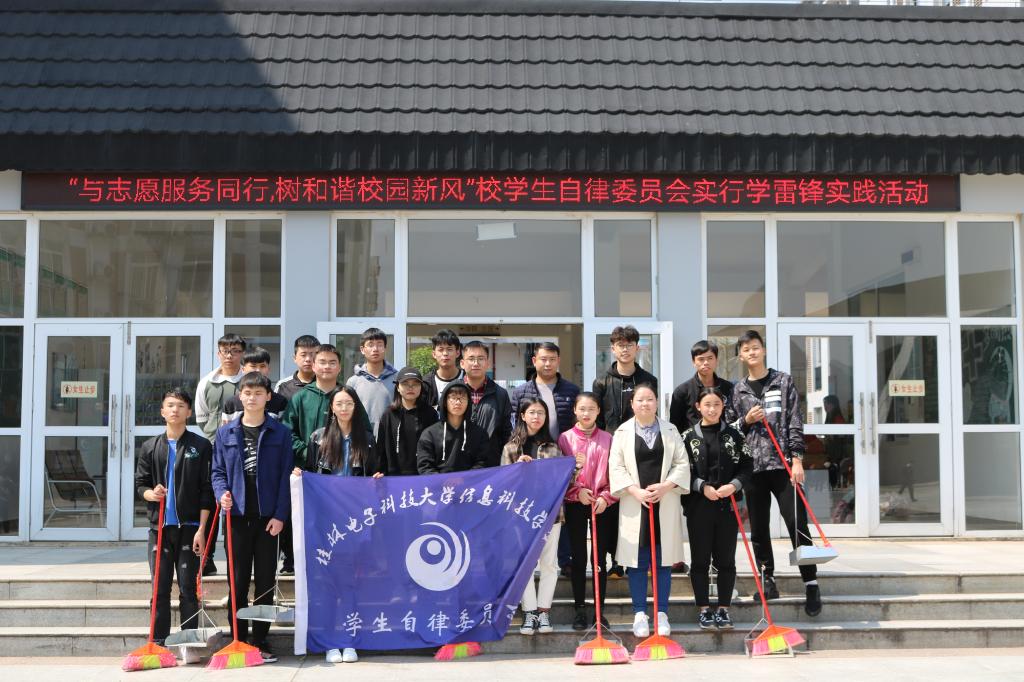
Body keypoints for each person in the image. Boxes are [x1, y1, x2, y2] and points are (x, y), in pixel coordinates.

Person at [731, 329, 823, 617]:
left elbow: (795, 420)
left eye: (755, 347)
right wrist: (746, 420)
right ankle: (767, 578)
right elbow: (731, 430)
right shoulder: (738, 390)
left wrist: (797, 460)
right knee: (759, 528)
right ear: (741, 356)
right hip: (753, 468)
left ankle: (811, 582)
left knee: (797, 522)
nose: (752, 352)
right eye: (746, 349)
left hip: (783, 466)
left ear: (764, 350)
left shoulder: (783, 381)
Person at [211, 371, 293, 664]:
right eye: (247, 393)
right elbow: (217, 471)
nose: (253, 398)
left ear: (268, 397)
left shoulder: (280, 433)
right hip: (236, 518)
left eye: (259, 393)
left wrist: (281, 515)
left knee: (266, 582)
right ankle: (238, 639)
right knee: (237, 582)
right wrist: (221, 494)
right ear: (240, 396)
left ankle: (260, 640)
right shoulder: (226, 433)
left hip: (268, 519)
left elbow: (285, 477)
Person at [292, 386, 375, 665]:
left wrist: (377, 479)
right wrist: (301, 476)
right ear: (331, 408)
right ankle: (330, 642)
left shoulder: (367, 439)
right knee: (326, 584)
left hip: (356, 521)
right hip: (327, 521)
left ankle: (348, 640)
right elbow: (312, 475)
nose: (343, 408)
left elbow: (375, 472)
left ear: (355, 406)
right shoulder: (319, 438)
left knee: (351, 583)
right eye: (339, 403)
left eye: (348, 403)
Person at [134, 388, 213, 658]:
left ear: (189, 412)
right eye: (170, 405)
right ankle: (159, 644)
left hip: (190, 529)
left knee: (188, 588)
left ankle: (189, 644)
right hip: (159, 529)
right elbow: (141, 484)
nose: (175, 410)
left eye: (180, 405)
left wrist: (202, 530)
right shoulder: (150, 447)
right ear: (162, 411)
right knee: (160, 588)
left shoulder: (201, 446)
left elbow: (206, 491)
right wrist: (151, 494)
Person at [607, 384, 689, 638]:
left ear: (657, 402)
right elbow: (616, 467)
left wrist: (666, 486)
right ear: (632, 404)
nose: (645, 404)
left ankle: (661, 613)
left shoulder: (671, 430)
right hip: (636, 502)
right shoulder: (622, 432)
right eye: (640, 400)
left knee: (663, 561)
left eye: (650, 399)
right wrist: (634, 490)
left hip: (664, 500)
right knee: (638, 562)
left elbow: (682, 463)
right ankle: (640, 614)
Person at [681, 387, 753, 631]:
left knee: (726, 560)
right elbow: (681, 471)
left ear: (723, 407)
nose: (712, 410)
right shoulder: (687, 437)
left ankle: (723, 609)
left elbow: (747, 466)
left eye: (717, 405)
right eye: (707, 405)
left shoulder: (735, 435)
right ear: (698, 407)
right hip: (699, 506)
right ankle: (704, 609)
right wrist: (702, 487)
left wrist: (734, 486)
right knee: (700, 560)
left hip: (727, 506)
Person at [593, 325, 657, 578]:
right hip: (610, 451)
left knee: (635, 506)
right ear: (613, 349)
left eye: (630, 344)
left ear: (637, 347)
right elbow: (598, 420)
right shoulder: (601, 382)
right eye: (620, 345)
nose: (625, 349)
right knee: (611, 507)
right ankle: (615, 560)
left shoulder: (648, 380)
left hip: (640, 450)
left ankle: (637, 558)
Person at [501, 399, 565, 636]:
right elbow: (503, 484)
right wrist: (517, 468)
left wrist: (576, 468)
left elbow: (563, 480)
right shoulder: (511, 448)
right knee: (524, 565)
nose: (536, 417)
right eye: (532, 412)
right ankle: (529, 612)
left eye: (541, 413)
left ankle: (544, 611)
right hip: (521, 516)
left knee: (549, 564)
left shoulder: (554, 448)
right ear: (522, 415)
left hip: (550, 514)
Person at [559, 392, 617, 631]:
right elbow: (560, 476)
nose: (586, 413)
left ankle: (599, 611)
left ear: (598, 411)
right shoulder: (565, 439)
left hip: (601, 504)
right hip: (576, 503)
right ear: (574, 410)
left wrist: (606, 497)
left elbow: (616, 473)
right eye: (582, 409)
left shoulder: (608, 439)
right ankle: (580, 609)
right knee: (579, 557)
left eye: (591, 409)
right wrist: (577, 492)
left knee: (599, 558)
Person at [194, 332, 246, 576]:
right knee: (212, 500)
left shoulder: (248, 380)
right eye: (225, 351)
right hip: (213, 449)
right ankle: (206, 558)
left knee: (236, 501)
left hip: (243, 452)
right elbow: (201, 417)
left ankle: (237, 559)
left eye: (235, 351)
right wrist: (216, 438)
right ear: (218, 353)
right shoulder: (207, 382)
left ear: (242, 353)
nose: (229, 355)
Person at [284, 344, 342, 470]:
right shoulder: (300, 397)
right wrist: (308, 453)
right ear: (314, 366)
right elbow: (287, 432)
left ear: (339, 368)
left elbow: (363, 431)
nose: (327, 366)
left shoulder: (347, 396)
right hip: (307, 469)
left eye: (332, 363)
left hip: (342, 469)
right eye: (322, 362)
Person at [375, 367, 439, 476]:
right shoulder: (388, 414)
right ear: (397, 387)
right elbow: (381, 449)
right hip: (393, 477)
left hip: (422, 476)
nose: (410, 388)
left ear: (421, 387)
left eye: (415, 384)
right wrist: (380, 471)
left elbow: (435, 447)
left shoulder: (430, 414)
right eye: (405, 384)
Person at [509, 342, 580, 439]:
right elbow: (513, 424)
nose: (548, 364)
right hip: (530, 447)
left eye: (552, 359)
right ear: (534, 361)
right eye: (543, 359)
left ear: (558, 361)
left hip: (564, 447)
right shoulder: (520, 392)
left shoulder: (572, 391)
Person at [416, 382, 490, 474]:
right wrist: (443, 480)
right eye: (453, 397)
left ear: (469, 402)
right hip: (438, 482)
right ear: (444, 402)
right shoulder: (429, 434)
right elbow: (425, 466)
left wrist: (464, 479)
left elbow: (482, 463)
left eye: (463, 398)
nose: (458, 402)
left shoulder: (480, 434)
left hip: (470, 482)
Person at [460, 341, 512, 467]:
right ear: (462, 363)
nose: (476, 363)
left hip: (490, 465)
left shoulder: (500, 394)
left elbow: (506, 432)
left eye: (481, 359)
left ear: (488, 363)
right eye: (471, 359)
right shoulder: (452, 392)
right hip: (459, 464)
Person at [669, 339, 737, 434]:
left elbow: (734, 419)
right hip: (693, 441)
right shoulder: (682, 391)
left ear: (716, 360)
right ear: (693, 362)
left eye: (710, 358)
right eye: (701, 359)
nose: (706, 363)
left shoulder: (728, 388)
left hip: (723, 440)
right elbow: (675, 425)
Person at [345, 327, 398, 435]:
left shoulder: (397, 379)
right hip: (362, 437)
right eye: (370, 345)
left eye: (379, 344)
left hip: (390, 437)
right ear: (362, 349)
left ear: (385, 348)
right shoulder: (353, 382)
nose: (375, 349)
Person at [221, 346, 289, 424]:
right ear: (243, 369)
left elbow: (283, 429)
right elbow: (226, 430)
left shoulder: (280, 402)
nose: (258, 370)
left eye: (262, 366)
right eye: (253, 366)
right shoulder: (231, 404)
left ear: (268, 369)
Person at [423, 328, 464, 410]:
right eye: (441, 350)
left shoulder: (468, 379)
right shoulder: (426, 384)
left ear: (457, 352)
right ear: (434, 354)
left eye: (449, 349)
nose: (445, 353)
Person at [275, 335, 320, 402]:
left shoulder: (325, 383)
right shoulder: (283, 385)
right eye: (303, 355)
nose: (308, 359)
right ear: (295, 358)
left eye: (312, 355)